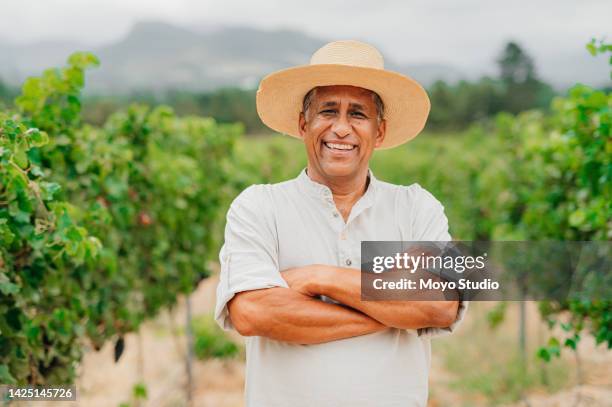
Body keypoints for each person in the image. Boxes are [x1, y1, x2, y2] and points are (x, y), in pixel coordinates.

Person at [215, 40, 467, 407]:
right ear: (304, 124)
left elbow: (440, 303)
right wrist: (392, 310)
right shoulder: (259, 206)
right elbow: (252, 312)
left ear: (379, 132)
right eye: (328, 111)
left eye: (358, 114)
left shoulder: (415, 206)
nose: (342, 129)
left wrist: (319, 277)